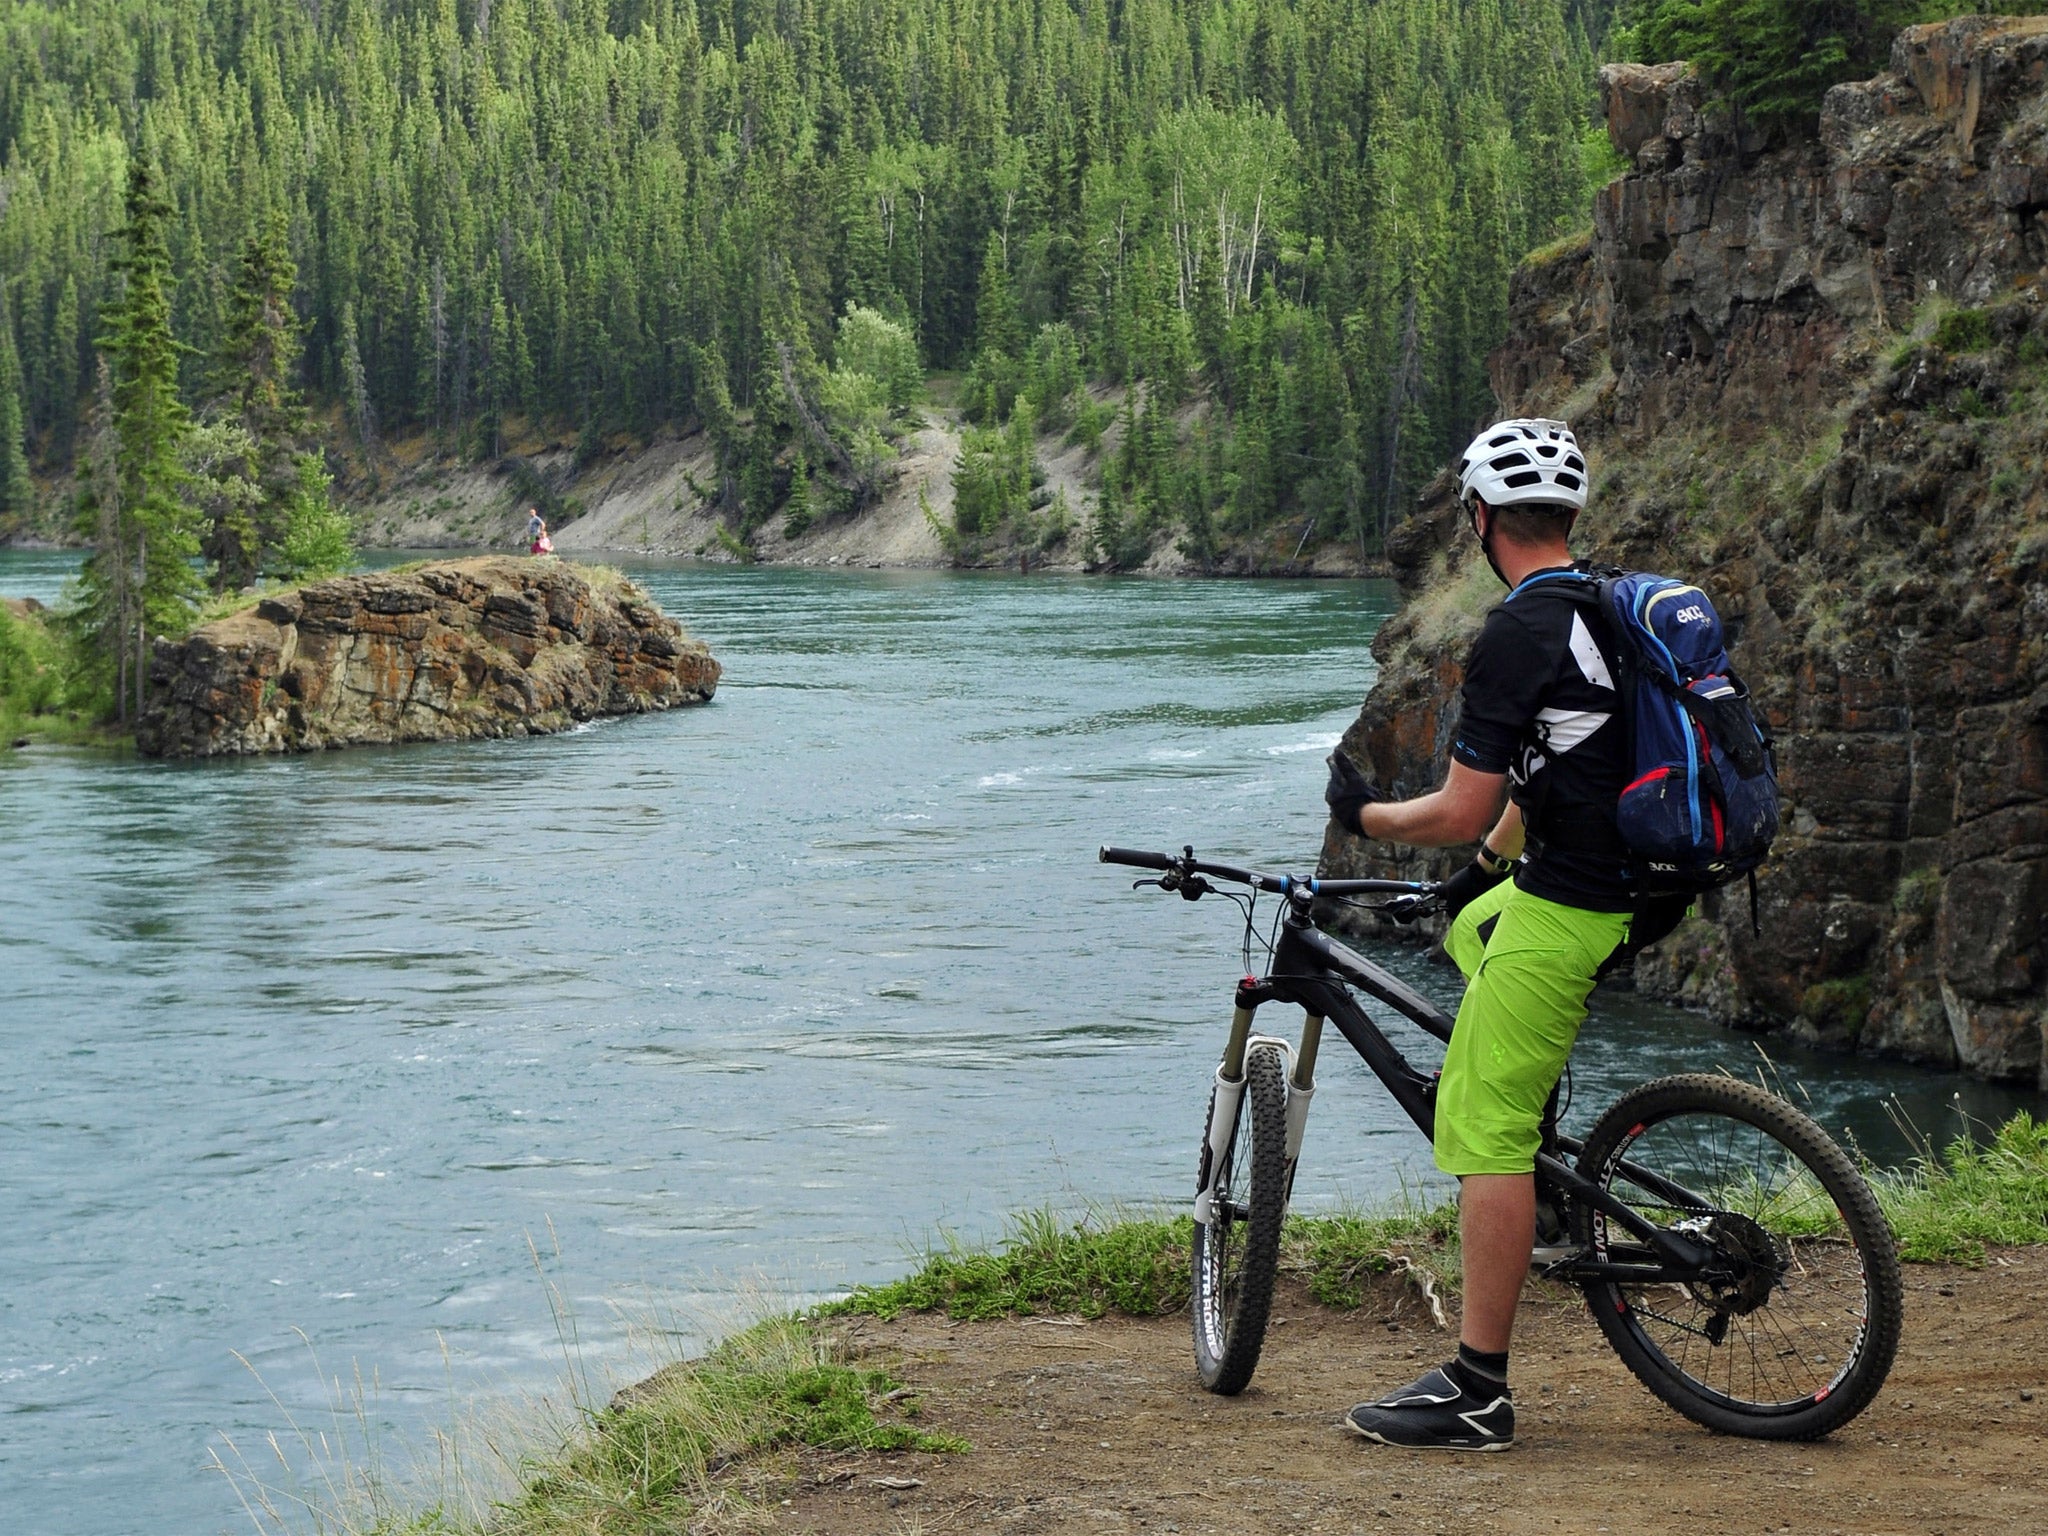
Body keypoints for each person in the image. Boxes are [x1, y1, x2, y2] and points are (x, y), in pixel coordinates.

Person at [1324, 418, 1672, 1453]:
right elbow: (1555, 768)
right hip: (1640, 883)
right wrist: (1477, 878)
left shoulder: (1517, 631)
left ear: (1479, 520)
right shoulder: (1603, 600)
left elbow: (1457, 808)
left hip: (1573, 903)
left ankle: (1477, 1389)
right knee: (1471, 926)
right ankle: (1537, 1130)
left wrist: (1363, 821)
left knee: (1480, 1133)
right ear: (1566, 517)